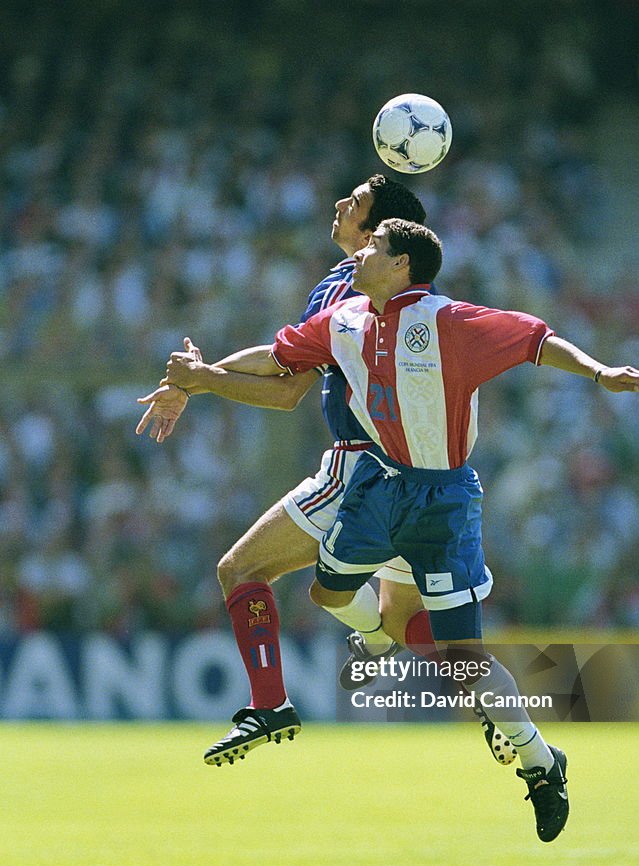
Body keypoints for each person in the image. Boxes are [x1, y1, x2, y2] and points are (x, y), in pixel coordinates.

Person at [220, 218, 639, 842]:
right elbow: (275, 357)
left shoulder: (447, 321)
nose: (361, 253)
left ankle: (540, 761)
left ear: (402, 265)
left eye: (374, 248)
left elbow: (536, 339)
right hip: (381, 484)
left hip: (445, 501)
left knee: (463, 662)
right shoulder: (344, 320)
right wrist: (204, 373)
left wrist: (599, 372)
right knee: (327, 592)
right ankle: (377, 639)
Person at [137, 176, 511, 772]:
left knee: (241, 569)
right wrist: (197, 376)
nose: (339, 205)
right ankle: (518, 732)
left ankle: (270, 705)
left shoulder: (353, 294)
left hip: (362, 465)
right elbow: (282, 353)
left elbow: (288, 389)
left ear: (376, 232)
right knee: (410, 626)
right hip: (416, 476)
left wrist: (200, 380)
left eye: (355, 203)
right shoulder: (385, 290)